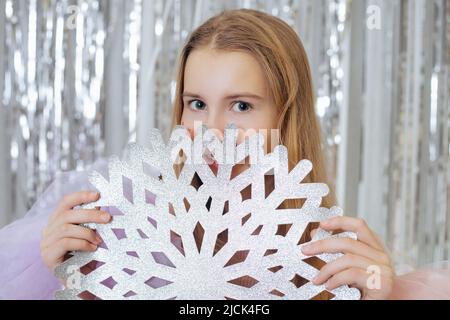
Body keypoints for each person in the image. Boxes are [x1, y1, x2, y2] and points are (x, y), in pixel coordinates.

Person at [0, 9, 448, 300]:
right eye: (196, 104)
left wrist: (379, 296)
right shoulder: (119, 232)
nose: (211, 132)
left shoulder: (337, 262)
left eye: (241, 105)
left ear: (288, 116)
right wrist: (62, 277)